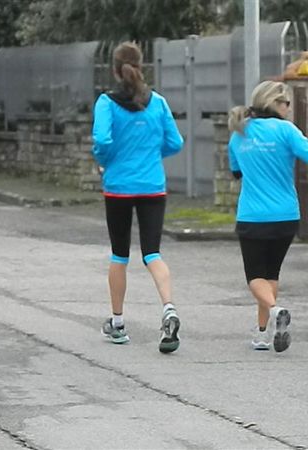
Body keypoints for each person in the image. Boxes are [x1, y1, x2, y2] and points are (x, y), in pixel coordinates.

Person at [228, 80, 308, 352]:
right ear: (275, 103)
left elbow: (236, 173)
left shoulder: (239, 133)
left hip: (253, 215)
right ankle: (263, 333)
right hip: (285, 215)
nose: (289, 109)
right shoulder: (286, 131)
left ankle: (275, 310)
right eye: (286, 104)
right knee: (271, 273)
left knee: (254, 277)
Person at [92, 42, 184, 352]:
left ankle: (117, 323)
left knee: (120, 254)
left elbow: (102, 139)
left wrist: (106, 158)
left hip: (118, 186)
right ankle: (169, 308)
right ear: (141, 67)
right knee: (152, 253)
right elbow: (176, 142)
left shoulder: (106, 102)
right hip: (152, 185)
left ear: (115, 70)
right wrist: (152, 154)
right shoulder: (157, 102)